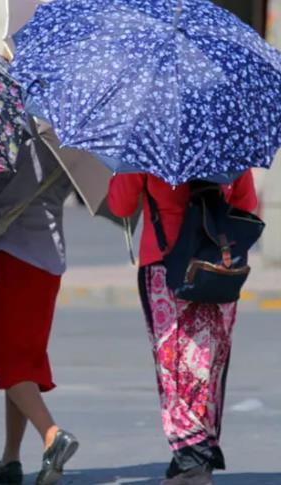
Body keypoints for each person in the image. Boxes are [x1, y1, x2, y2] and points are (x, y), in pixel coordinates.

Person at [107, 172, 258, 485]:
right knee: (210, 362)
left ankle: (192, 458)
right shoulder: (226, 141)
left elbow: (120, 206)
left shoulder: (149, 144)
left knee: (174, 363)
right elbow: (248, 204)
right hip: (218, 264)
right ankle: (197, 451)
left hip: (165, 266)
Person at [0, 129, 79, 485]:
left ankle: (52, 435)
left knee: (10, 362)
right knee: (24, 359)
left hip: (8, 254)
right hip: (49, 258)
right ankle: (10, 458)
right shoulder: (63, 134)